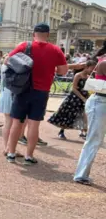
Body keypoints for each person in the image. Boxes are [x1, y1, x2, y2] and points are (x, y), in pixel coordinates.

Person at [5, 23, 67, 164]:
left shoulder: (25, 46)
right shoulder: (56, 50)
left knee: (16, 123)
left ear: (34, 34)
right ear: (48, 34)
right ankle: (29, 156)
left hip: (22, 89)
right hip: (41, 91)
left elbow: (8, 61)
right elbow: (63, 71)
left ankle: (11, 153)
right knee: (34, 124)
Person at [73, 60, 106, 185]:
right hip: (100, 102)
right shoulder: (104, 63)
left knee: (95, 140)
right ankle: (81, 175)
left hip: (101, 103)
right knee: (94, 140)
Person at [48, 60, 96, 140]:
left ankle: (84, 132)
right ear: (86, 67)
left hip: (84, 98)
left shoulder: (88, 77)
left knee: (84, 115)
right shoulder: (78, 75)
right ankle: (61, 131)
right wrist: (82, 98)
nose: (93, 70)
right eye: (92, 68)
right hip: (74, 98)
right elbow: (74, 89)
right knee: (68, 114)